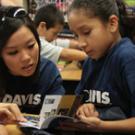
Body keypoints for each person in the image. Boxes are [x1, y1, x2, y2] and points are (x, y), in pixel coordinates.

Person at [66, 0, 135, 134]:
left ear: (112, 24)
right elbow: (79, 101)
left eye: (86, 32)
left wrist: (102, 126)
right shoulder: (90, 60)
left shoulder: (128, 57)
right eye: (76, 35)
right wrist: (84, 108)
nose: (80, 43)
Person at [0, 6, 65, 115]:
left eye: (30, 46)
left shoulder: (48, 73)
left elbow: (54, 122)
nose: (26, 58)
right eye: (13, 52)